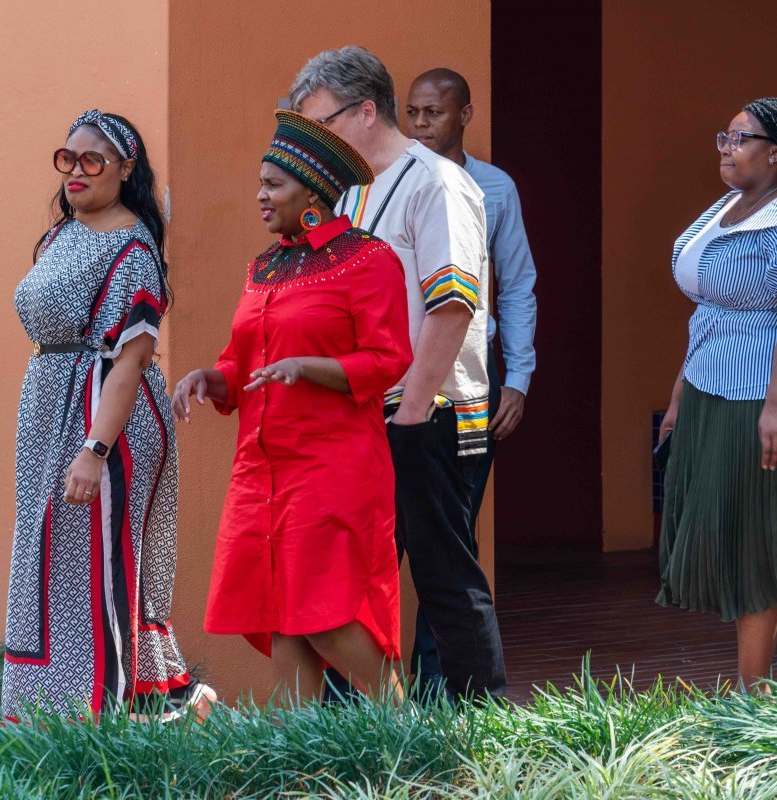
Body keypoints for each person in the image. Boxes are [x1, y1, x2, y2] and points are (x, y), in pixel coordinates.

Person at [172, 110, 412, 703]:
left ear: (312, 194)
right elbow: (243, 365)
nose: (260, 195)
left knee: (324, 615)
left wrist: (310, 368)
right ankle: (296, 751)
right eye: (260, 183)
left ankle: (407, 731)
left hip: (333, 467)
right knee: (281, 614)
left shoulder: (368, 259)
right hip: (261, 470)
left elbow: (388, 359)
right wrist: (210, 379)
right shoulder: (264, 266)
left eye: (273, 185)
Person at [290, 46, 503, 699]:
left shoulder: (437, 182)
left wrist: (411, 414)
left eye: (321, 122)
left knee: (443, 574)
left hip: (429, 410)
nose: (313, 139)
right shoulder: (348, 190)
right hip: (363, 412)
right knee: (349, 575)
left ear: (364, 111)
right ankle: (356, 722)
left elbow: (453, 304)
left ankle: (477, 722)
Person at [3, 110, 214, 720]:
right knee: (52, 562)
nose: (76, 170)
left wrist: (95, 450)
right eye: (67, 158)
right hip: (50, 406)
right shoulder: (62, 235)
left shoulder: (134, 248)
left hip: (104, 415)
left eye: (92, 160)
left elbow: (131, 359)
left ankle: (108, 717)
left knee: (95, 566)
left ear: (125, 169)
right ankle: (57, 715)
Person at [657, 97, 777, 690]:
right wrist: (680, 395)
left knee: (751, 542)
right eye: (725, 136)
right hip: (714, 386)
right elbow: (709, 313)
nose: (726, 148)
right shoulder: (727, 207)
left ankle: (751, 699)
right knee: (727, 533)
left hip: (772, 395)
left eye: (741, 139)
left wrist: (776, 406)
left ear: (775, 153)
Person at [403, 68, 538, 690]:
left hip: (473, 381)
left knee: (452, 534)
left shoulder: (495, 188)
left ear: (465, 115)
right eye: (412, 112)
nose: (420, 124)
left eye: (432, 112)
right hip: (397, 380)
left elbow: (517, 285)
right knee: (388, 536)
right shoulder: (389, 183)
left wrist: (519, 378)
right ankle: (367, 699)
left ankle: (441, 691)